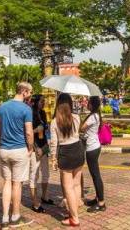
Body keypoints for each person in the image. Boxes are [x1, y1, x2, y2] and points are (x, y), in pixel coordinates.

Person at [0, 82, 34, 229]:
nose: (30, 95)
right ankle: (15, 217)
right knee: (17, 184)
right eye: (29, 92)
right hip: (19, 150)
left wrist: (1, 141)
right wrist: (30, 148)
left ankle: (4, 218)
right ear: (24, 91)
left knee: (6, 182)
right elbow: (29, 132)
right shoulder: (26, 109)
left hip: (4, 150)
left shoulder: (2, 106)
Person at [50, 93, 85, 227]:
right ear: (70, 103)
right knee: (76, 185)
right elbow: (79, 133)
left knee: (68, 187)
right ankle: (74, 211)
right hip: (78, 149)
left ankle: (74, 218)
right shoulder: (76, 117)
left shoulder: (54, 121)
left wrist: (53, 158)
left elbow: (54, 143)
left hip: (65, 152)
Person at [28, 94, 53, 213]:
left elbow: (46, 127)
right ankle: (35, 202)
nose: (44, 103)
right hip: (35, 147)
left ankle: (44, 196)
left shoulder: (43, 113)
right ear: (35, 102)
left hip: (44, 146)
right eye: (42, 101)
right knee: (34, 173)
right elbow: (26, 133)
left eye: (44, 101)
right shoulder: (29, 114)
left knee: (46, 172)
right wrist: (36, 130)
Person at [80, 96, 106, 213]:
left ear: (92, 105)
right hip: (94, 146)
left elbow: (81, 128)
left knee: (95, 175)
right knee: (95, 175)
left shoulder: (93, 116)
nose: (87, 104)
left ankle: (101, 203)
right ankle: (97, 198)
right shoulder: (95, 115)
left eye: (88, 103)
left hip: (92, 148)